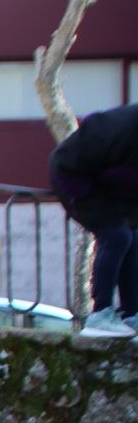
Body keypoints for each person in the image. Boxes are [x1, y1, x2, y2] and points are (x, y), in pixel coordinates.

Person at [48, 102, 138, 337]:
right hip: (72, 175)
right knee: (116, 237)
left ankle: (132, 314)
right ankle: (100, 314)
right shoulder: (117, 127)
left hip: (114, 188)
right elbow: (69, 159)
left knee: (133, 238)